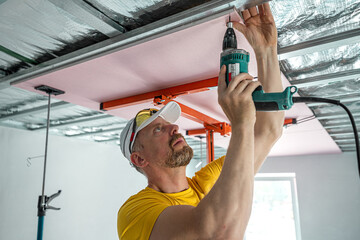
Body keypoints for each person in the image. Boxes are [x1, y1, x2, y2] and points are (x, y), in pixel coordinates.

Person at [117, 3, 285, 239]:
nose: (175, 127)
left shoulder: (205, 182)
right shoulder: (136, 211)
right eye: (158, 130)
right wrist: (240, 123)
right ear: (139, 158)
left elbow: (269, 132)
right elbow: (218, 231)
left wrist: (266, 50)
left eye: (170, 124)